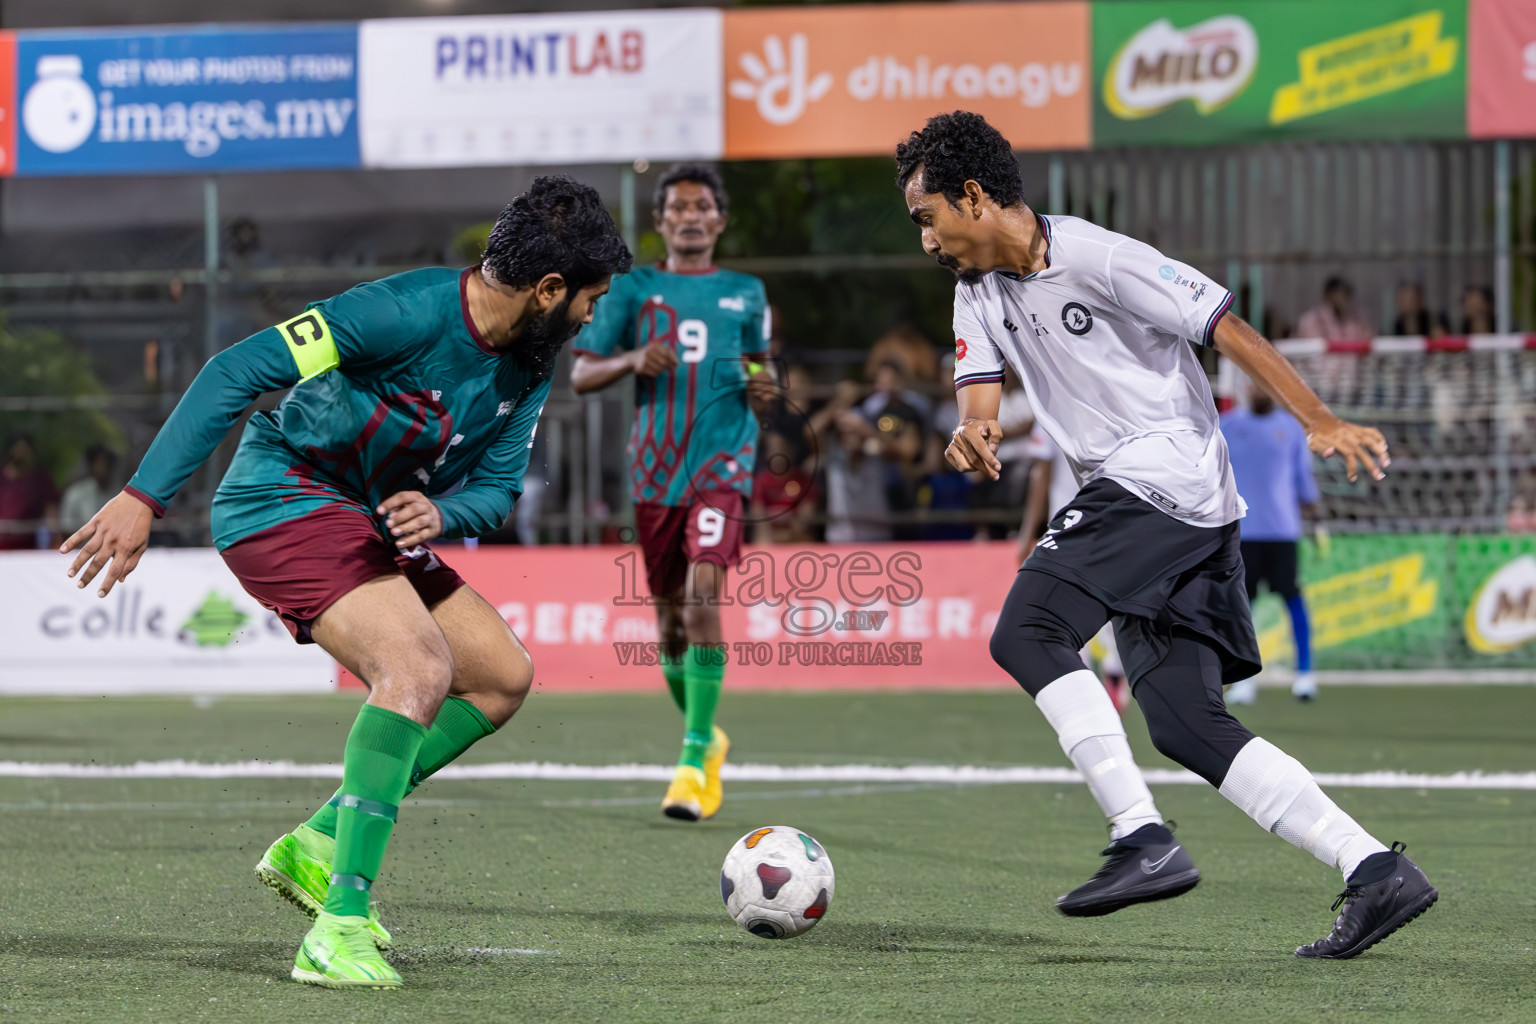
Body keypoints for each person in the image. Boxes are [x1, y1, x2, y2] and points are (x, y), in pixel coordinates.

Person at [61, 176, 632, 990]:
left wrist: (443, 510)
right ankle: (339, 926)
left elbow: (501, 489)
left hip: (365, 518)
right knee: (419, 669)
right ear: (548, 288)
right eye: (590, 297)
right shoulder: (397, 314)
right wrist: (144, 497)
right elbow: (236, 369)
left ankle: (320, 841)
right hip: (280, 498)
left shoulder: (531, 364)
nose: (591, 314)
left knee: (503, 677)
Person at [898, 111, 1435, 959]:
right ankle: (1374, 870)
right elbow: (981, 396)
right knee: (1184, 722)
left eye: (927, 217)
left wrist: (1318, 421)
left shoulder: (1101, 257)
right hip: (1171, 508)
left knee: (1029, 630)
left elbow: (1228, 327)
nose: (924, 240)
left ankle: (1141, 836)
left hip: (1165, 478)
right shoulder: (976, 296)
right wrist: (976, 431)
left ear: (973, 197)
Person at [569, 164, 770, 822]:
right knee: (668, 620)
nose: (690, 215)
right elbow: (582, 373)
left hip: (722, 467)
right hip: (655, 474)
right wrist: (630, 360)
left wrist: (766, 385)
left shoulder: (747, 292)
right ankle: (707, 732)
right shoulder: (635, 289)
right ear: (660, 223)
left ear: (719, 219)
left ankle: (691, 757)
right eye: (677, 207)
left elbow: (761, 369)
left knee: (701, 594)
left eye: (702, 205)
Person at [1016, 426, 1130, 714]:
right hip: (1100, 525)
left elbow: (1040, 474)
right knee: (1099, 605)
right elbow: (1041, 473)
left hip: (1079, 526)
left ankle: (1100, 680)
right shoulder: (1112, 410)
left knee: (1075, 607)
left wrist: (1027, 532)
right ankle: (1104, 677)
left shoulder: (1050, 412)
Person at [1222, 385, 1322, 704]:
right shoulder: (1226, 425)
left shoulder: (1291, 428)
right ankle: (1243, 680)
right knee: (1240, 607)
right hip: (1241, 532)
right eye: (1252, 383)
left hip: (1282, 532)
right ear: (1245, 388)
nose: (1259, 389)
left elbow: (1303, 479)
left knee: (1292, 597)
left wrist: (1317, 517)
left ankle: (1305, 674)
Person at [0, 433, 58, 550]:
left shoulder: (40, 479)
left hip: (28, 550)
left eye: (24, 450)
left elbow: (50, 512)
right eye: (18, 450)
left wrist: (56, 537)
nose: (20, 454)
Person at [59, 445, 117, 537]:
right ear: (91, 464)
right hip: (81, 547)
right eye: (99, 463)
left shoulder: (119, 493)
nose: (102, 468)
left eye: (105, 463)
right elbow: (66, 529)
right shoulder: (76, 493)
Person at [1295, 276, 1372, 341]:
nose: (1344, 299)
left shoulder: (1356, 322)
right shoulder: (1311, 320)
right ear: (1329, 294)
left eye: (1347, 294)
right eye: (1341, 294)